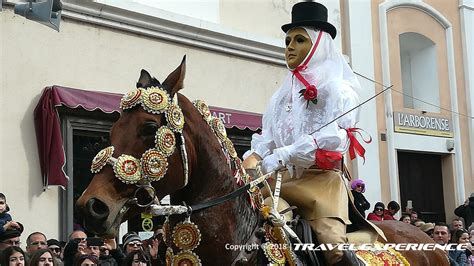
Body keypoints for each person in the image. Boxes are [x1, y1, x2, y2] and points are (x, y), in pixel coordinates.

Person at [242, 1, 375, 265]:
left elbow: (335, 139)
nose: (289, 46)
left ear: (317, 45)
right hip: (279, 185)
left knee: (333, 248)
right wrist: (250, 160)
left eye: (299, 40)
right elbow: (265, 140)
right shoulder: (279, 96)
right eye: (288, 40)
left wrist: (287, 153)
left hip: (320, 184)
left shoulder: (338, 89)